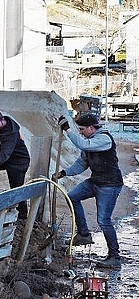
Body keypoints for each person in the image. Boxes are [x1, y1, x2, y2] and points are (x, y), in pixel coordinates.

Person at [53, 113, 124, 269]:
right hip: (96, 181)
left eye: (82, 129)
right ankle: (84, 234)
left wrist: (68, 130)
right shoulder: (89, 142)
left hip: (110, 184)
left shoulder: (104, 139)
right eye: (79, 129)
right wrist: (64, 173)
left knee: (103, 221)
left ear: (92, 128)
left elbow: (84, 145)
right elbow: (81, 164)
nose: (80, 132)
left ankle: (114, 257)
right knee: (72, 197)